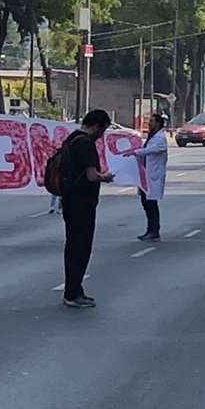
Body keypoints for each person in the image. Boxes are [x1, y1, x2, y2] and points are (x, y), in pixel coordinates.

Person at [60, 109, 116, 308]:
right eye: (102, 131)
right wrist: (105, 177)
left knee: (72, 245)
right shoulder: (86, 144)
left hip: (69, 199)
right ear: (97, 127)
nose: (102, 136)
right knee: (81, 247)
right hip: (82, 202)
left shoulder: (72, 139)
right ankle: (73, 291)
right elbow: (92, 175)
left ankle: (72, 289)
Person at [132, 111, 169, 241]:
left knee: (150, 203)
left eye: (152, 122)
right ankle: (150, 229)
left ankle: (154, 230)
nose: (149, 124)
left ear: (158, 124)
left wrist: (135, 152)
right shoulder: (152, 136)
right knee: (145, 203)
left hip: (153, 175)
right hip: (146, 175)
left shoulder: (160, 138)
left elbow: (153, 149)